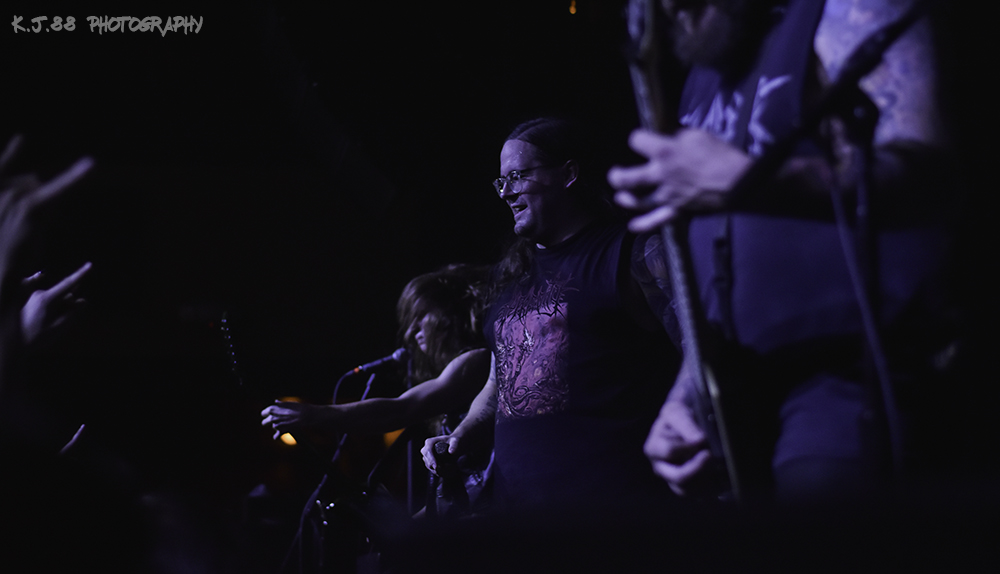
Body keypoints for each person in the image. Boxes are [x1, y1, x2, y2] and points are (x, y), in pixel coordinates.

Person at [607, 0, 957, 502]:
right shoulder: (703, 80)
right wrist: (689, 394)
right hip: (742, 399)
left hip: (846, 381)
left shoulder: (847, 12)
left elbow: (932, 175)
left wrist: (754, 181)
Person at [421, 117, 682, 513]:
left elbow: (703, 352)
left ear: (569, 174)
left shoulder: (632, 253)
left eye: (518, 176)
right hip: (522, 525)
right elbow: (500, 384)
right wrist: (460, 435)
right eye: (500, 182)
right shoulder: (513, 283)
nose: (506, 192)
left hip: (618, 514)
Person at [260, 263, 492, 507]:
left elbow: (399, 410)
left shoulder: (476, 359)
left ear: (452, 314)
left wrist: (313, 413)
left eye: (423, 315)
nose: (413, 330)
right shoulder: (464, 365)